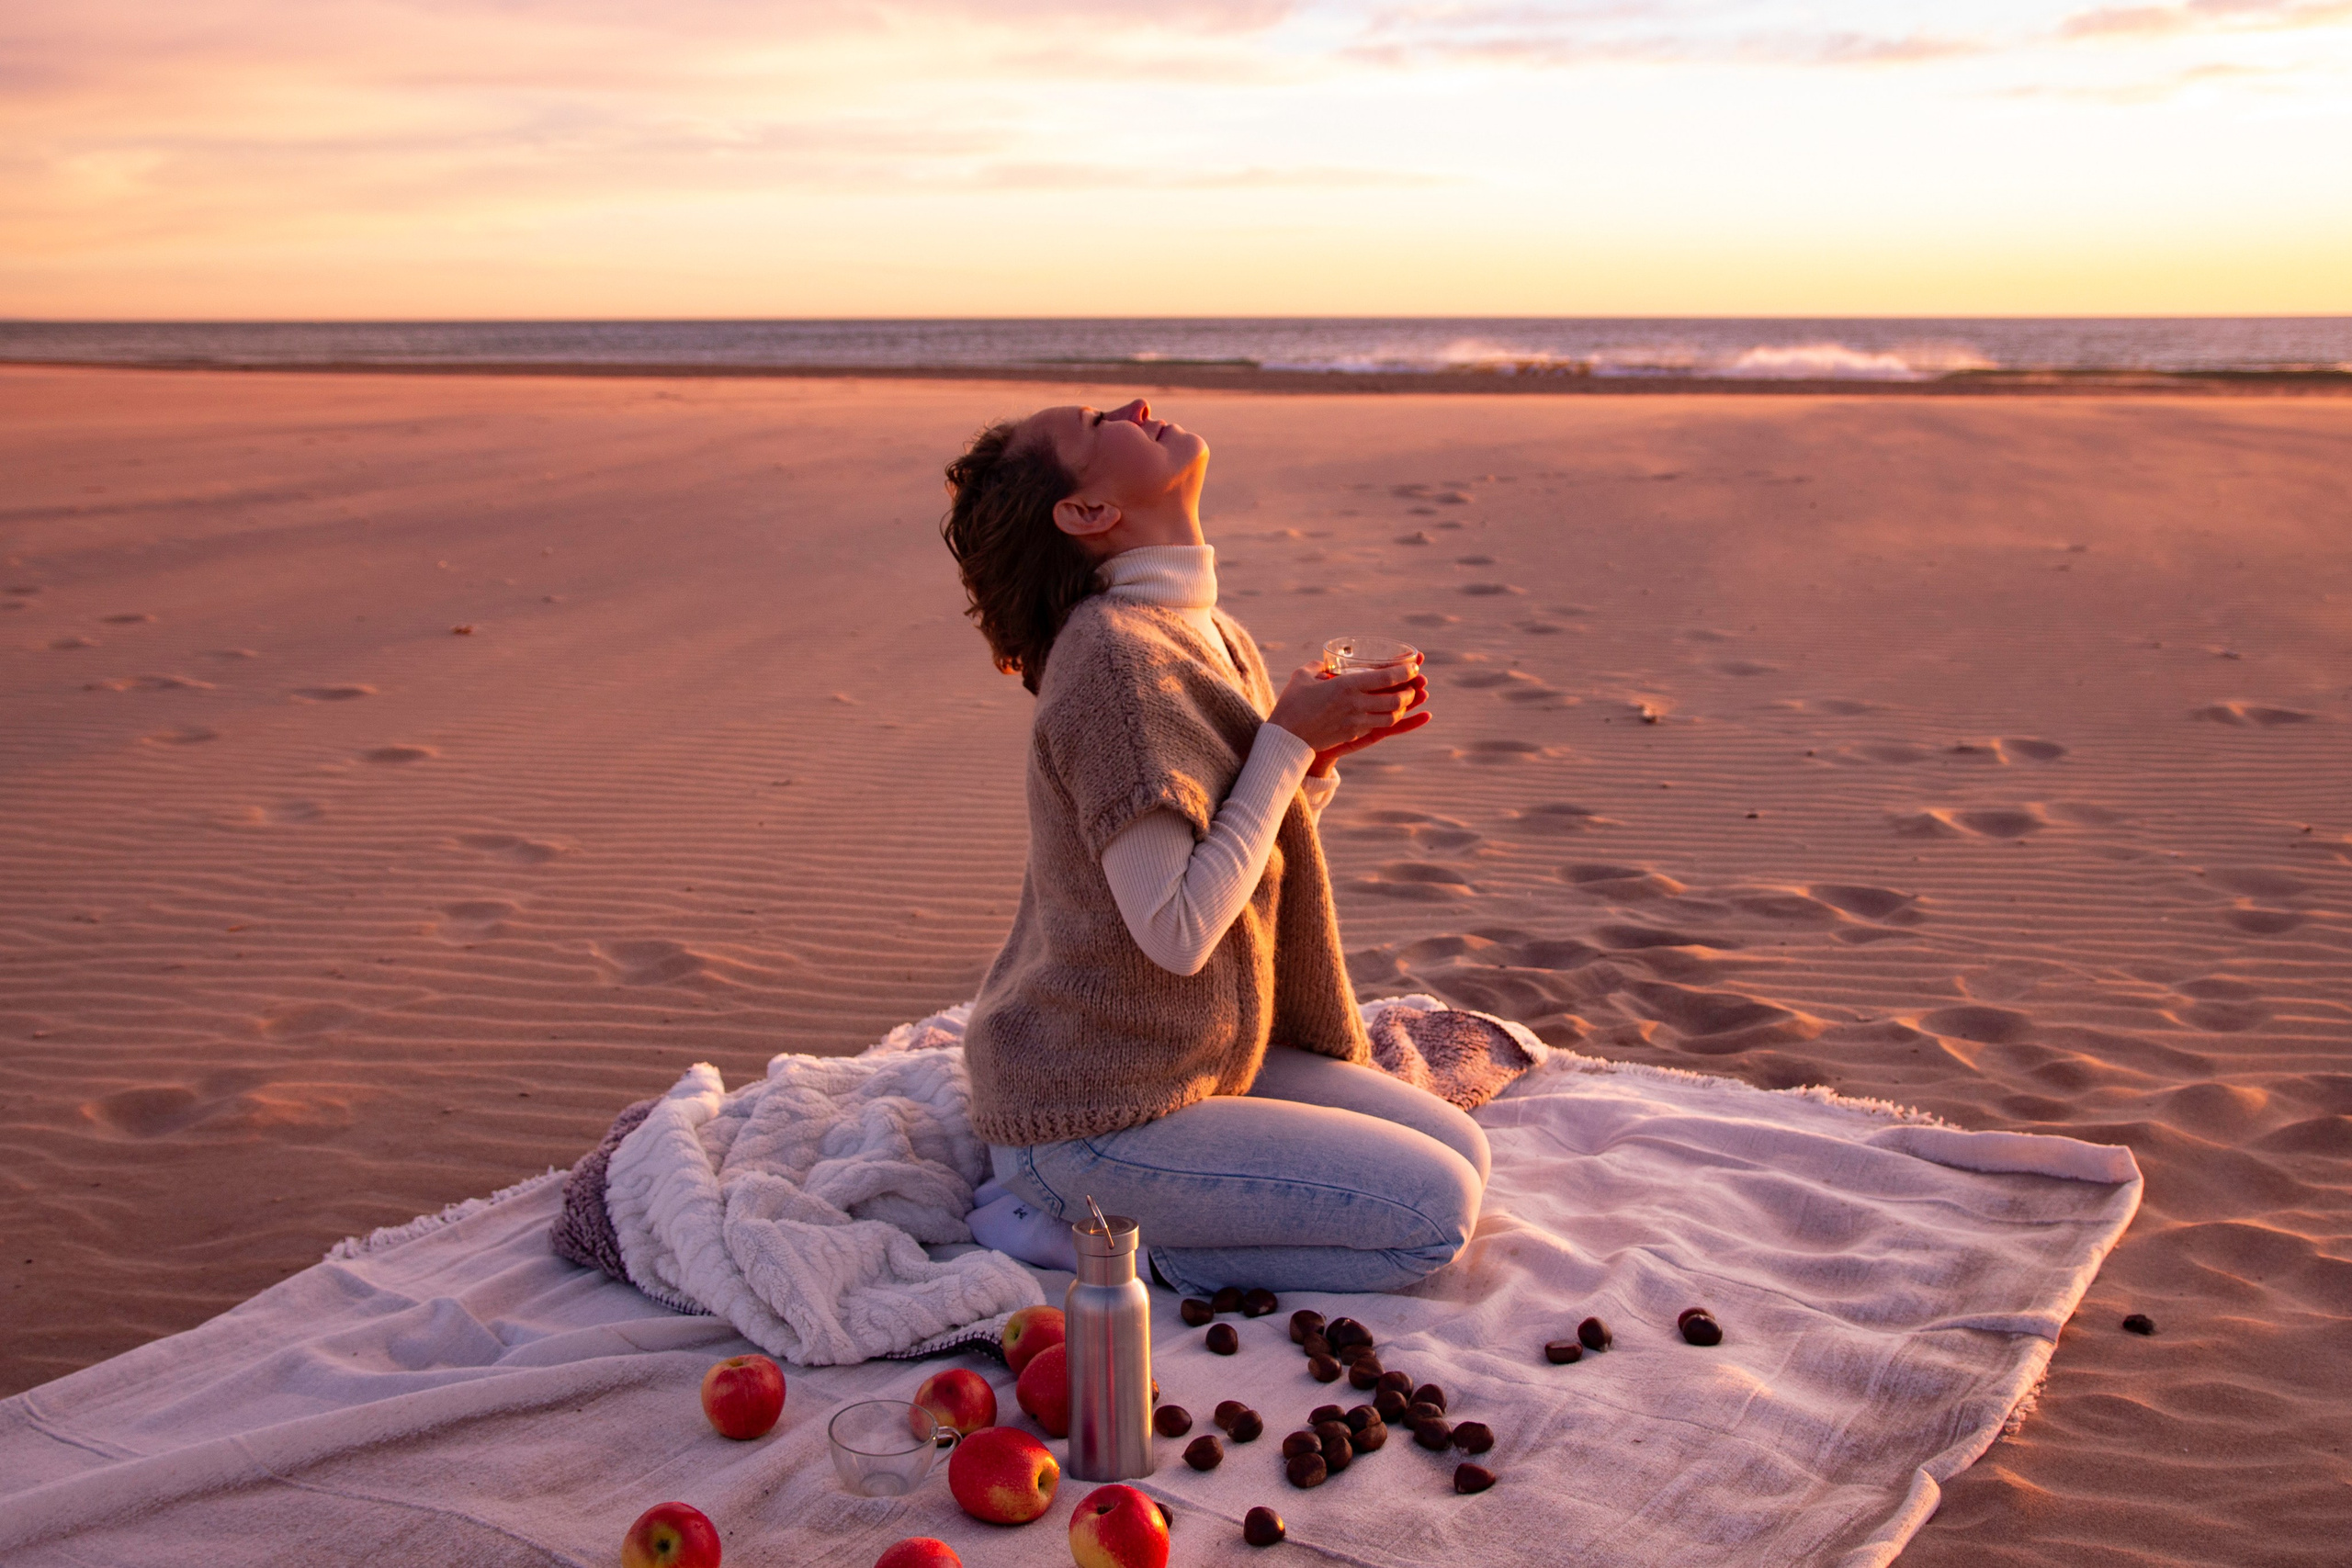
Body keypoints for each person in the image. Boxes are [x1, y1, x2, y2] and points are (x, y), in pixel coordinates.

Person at [938, 397, 1489, 1296]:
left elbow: (1243, 858)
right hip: (1089, 1114)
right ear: (1087, 514)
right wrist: (1282, 744)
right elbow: (1180, 927)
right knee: (1432, 1220)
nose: (1136, 404)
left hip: (1193, 1053)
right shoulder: (1113, 662)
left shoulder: (1209, 633)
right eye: (1097, 422)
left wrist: (1311, 762)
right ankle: (1054, 1236)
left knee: (1462, 1145)